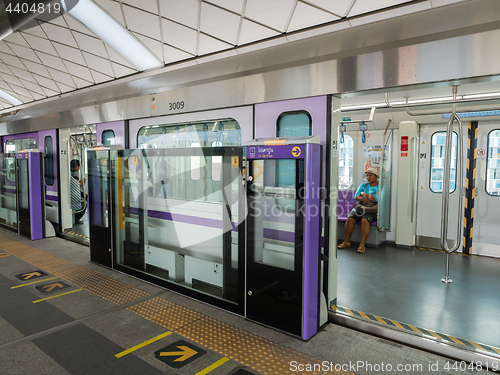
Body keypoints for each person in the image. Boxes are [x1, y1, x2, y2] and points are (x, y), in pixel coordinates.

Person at [338, 167, 380, 253]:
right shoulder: (363, 185)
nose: (368, 177)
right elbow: (357, 197)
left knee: (365, 220)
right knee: (350, 219)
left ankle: (362, 245)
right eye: (367, 175)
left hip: (372, 210)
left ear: (376, 176)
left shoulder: (380, 187)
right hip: (360, 208)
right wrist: (371, 197)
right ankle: (346, 242)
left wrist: (364, 194)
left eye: (370, 175)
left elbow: (377, 199)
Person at [70, 159, 86, 224]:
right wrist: (82, 182)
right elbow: (76, 184)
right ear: (77, 166)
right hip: (73, 195)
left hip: (71, 194)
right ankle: (76, 219)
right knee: (84, 204)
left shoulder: (69, 171)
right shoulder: (75, 172)